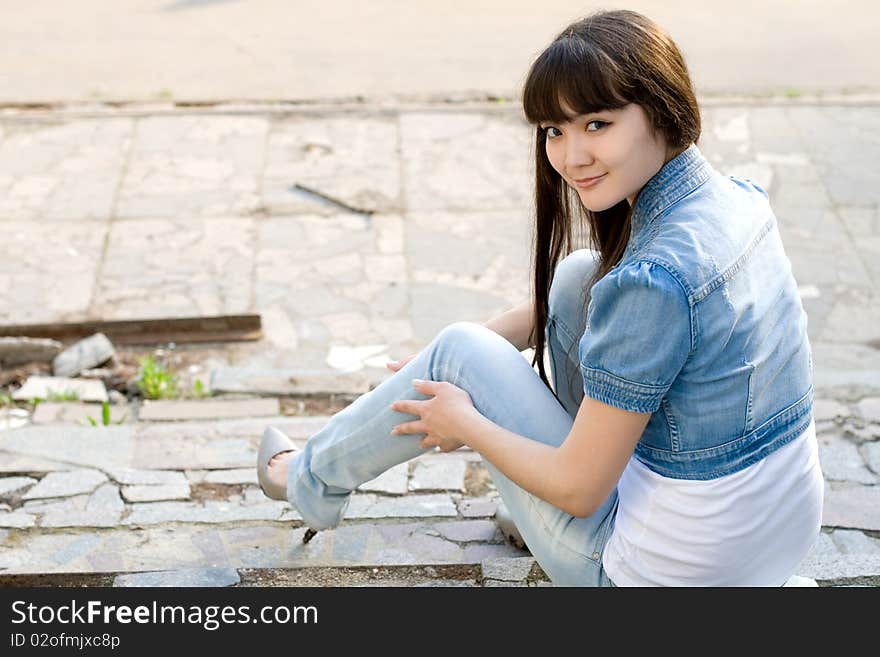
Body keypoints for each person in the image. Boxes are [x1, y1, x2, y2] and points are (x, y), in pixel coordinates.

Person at [256, 9, 823, 586]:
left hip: (654, 575)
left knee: (463, 349)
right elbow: (601, 300)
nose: (571, 156)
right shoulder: (741, 201)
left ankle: (305, 479)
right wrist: (473, 359)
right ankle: (452, 391)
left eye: (596, 124)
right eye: (555, 130)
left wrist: (466, 419)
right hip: (774, 539)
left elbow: (579, 491)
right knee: (578, 276)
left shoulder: (654, 280)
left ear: (662, 107)